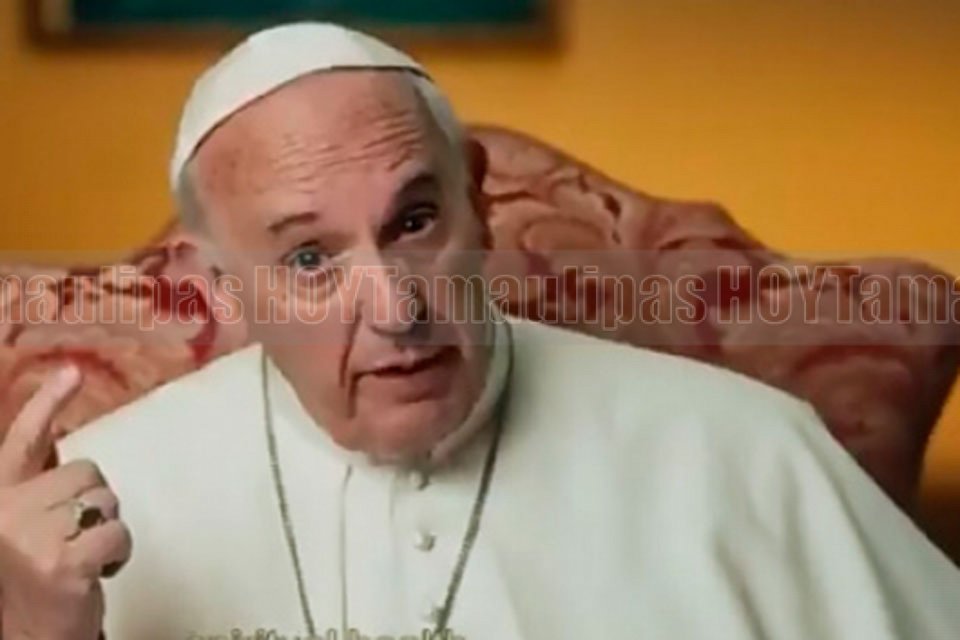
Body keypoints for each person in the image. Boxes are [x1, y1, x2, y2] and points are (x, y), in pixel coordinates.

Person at [0, 22, 958, 640]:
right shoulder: (89, 509)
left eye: (415, 222)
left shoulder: (747, 456)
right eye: (310, 258)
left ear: (478, 200)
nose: (396, 307)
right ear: (220, 285)